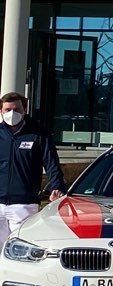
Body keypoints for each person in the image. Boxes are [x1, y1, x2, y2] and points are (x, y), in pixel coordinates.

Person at [0, 92, 64, 243]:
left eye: (16, 109)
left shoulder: (39, 134)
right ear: (1, 111)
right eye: (8, 110)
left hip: (24, 204)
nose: (12, 113)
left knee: (20, 246)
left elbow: (51, 163)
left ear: (25, 110)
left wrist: (57, 187)